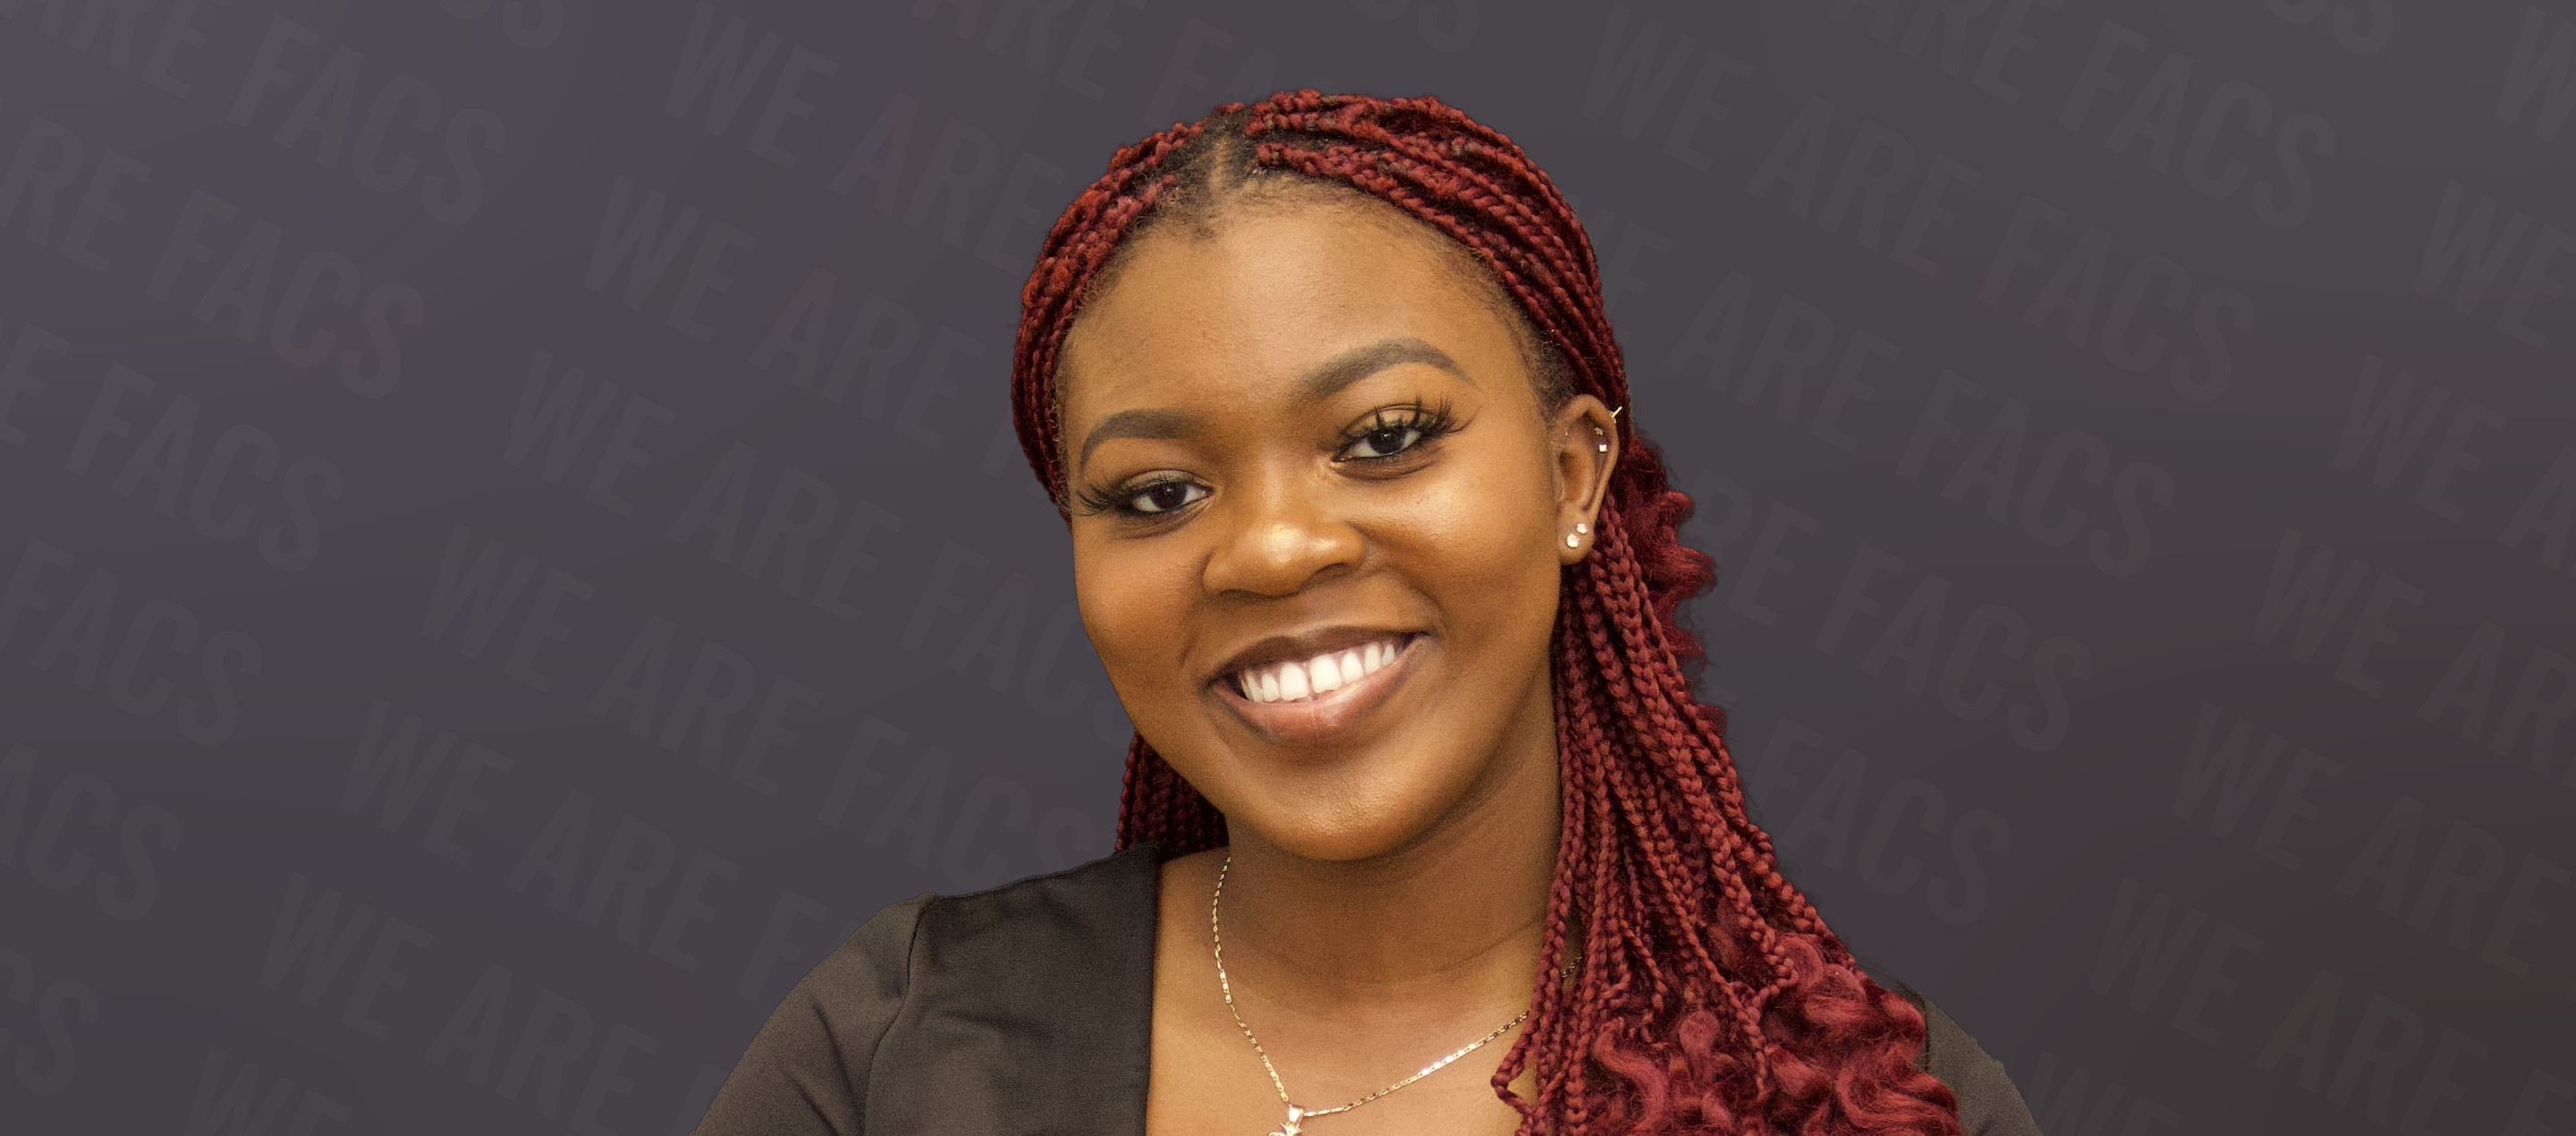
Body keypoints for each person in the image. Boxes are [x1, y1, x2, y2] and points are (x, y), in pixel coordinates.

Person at [692, 90, 2042, 1136]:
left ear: (1574, 477)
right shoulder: (901, 1048)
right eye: (1158, 493)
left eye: (1385, 436)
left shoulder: (1851, 1098)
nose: (1272, 549)